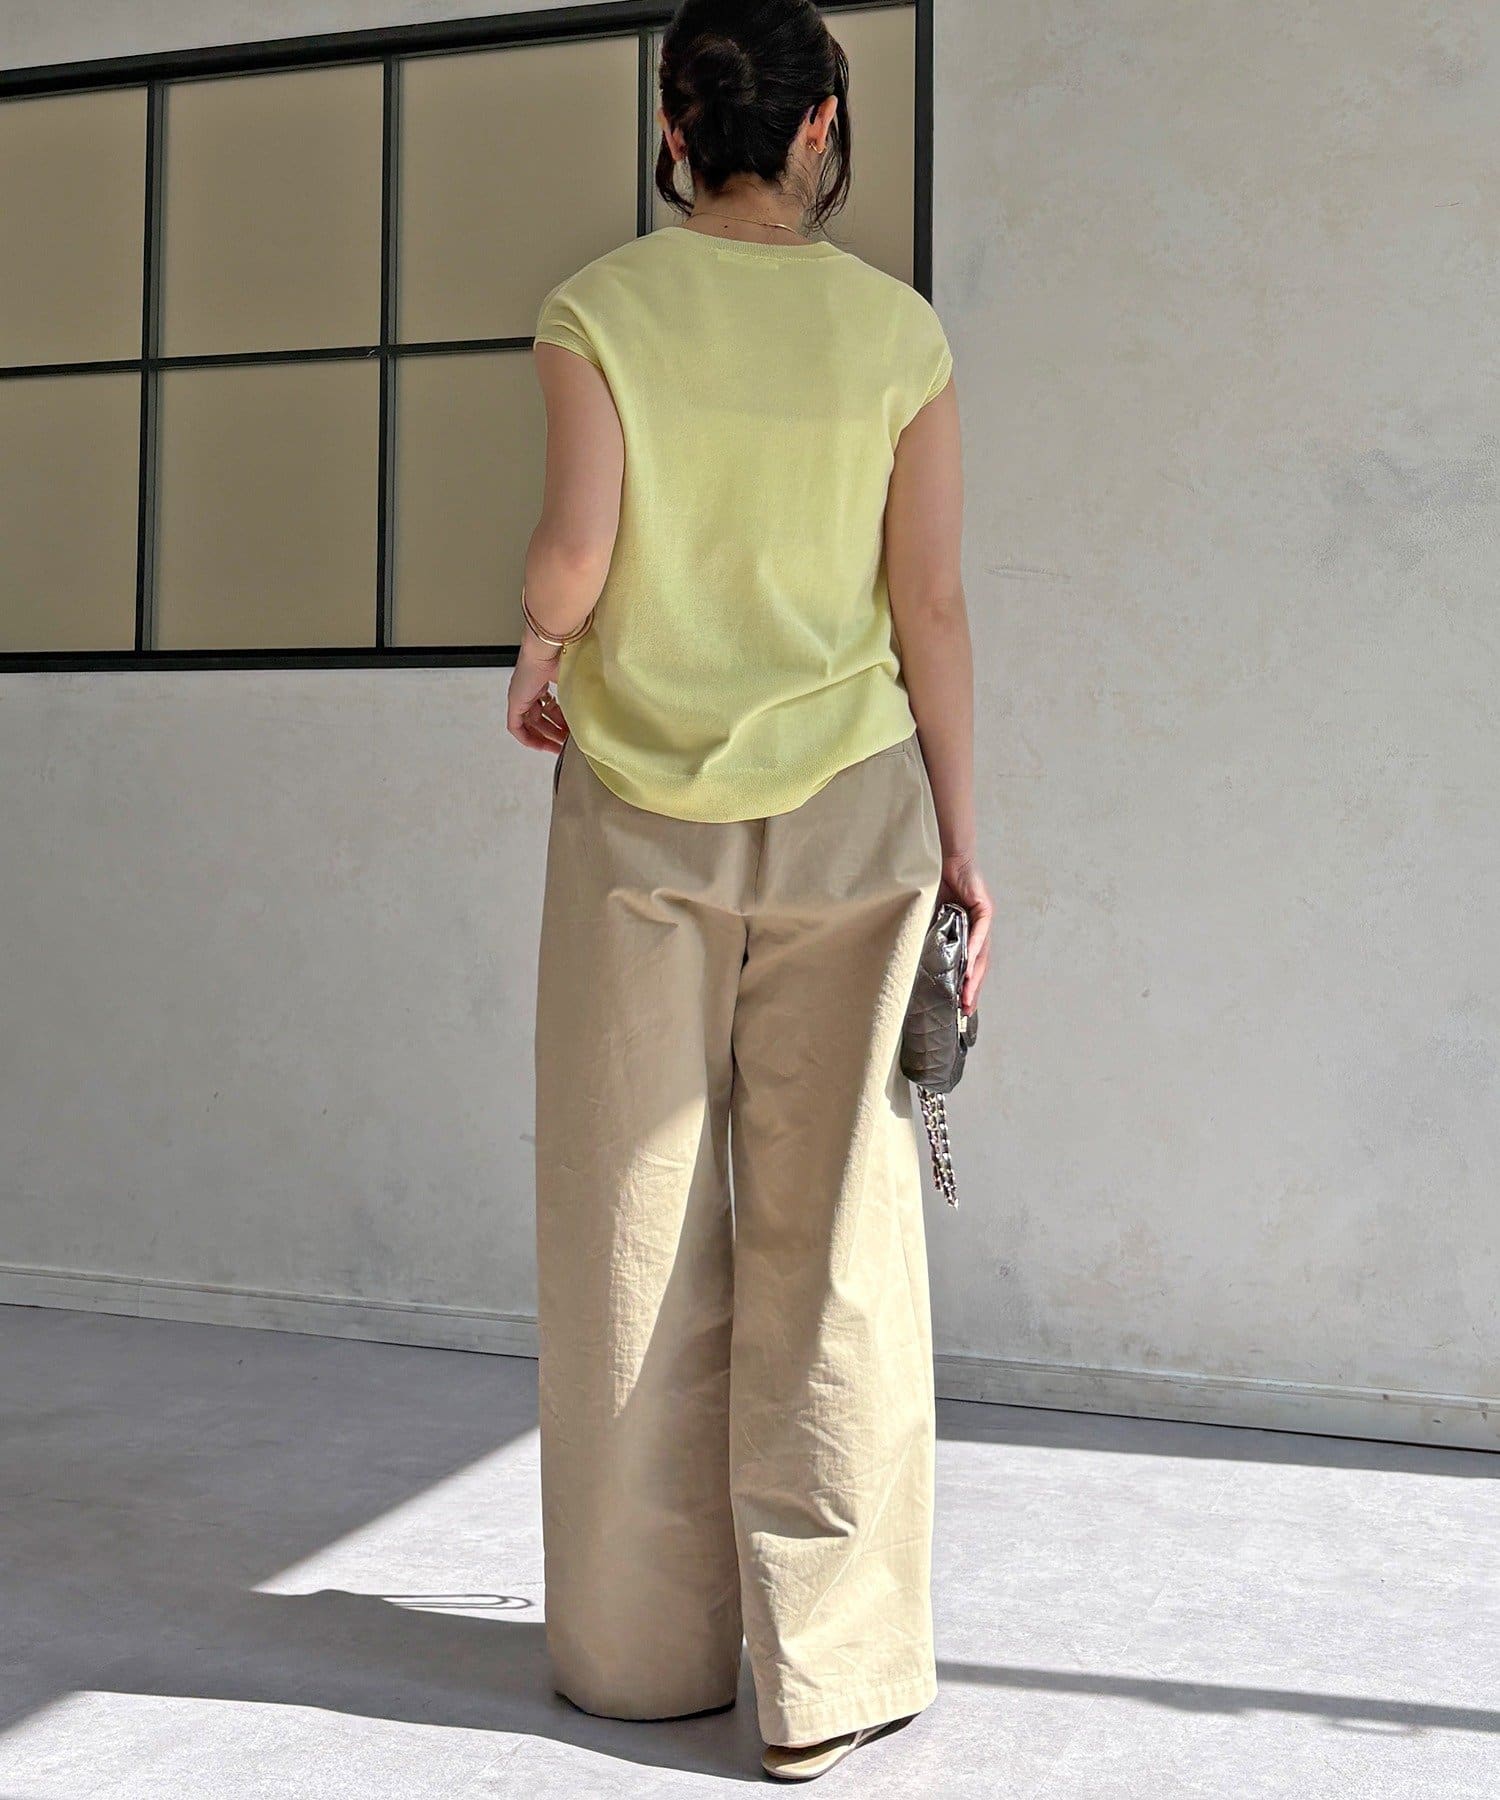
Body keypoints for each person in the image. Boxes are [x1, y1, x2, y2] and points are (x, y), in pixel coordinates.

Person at [509, 0, 992, 1781]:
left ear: (672, 130)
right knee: (839, 1229)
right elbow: (928, 607)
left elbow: (577, 550)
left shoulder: (599, 311)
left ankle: (639, 1662)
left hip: (639, 814)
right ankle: (830, 1676)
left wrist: (538, 646)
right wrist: (963, 840)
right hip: (858, 811)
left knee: (631, 1223)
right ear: (819, 130)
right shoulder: (897, 333)